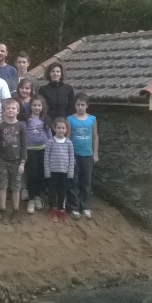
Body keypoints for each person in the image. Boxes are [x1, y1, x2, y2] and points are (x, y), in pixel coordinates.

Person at [0, 99, 27, 224]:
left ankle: (15, 211)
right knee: (2, 186)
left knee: (16, 187)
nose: (10, 110)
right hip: (2, 160)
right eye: (8, 108)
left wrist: (23, 163)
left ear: (17, 111)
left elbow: (24, 146)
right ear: (4, 111)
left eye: (13, 108)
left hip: (17, 161)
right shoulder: (1, 126)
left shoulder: (21, 126)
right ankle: (2, 211)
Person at [67, 92, 99, 221]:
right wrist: (68, 155)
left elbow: (95, 137)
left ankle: (85, 206)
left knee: (86, 181)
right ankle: (74, 207)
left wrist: (95, 153)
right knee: (73, 181)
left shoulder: (92, 119)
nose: (80, 107)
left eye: (82, 105)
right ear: (74, 105)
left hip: (88, 154)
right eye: (78, 104)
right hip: (74, 154)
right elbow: (67, 138)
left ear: (87, 106)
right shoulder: (70, 119)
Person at [25, 95, 52, 214]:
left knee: (41, 174)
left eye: (39, 105)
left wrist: (51, 148)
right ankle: (30, 199)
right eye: (34, 105)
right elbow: (22, 133)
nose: (37, 107)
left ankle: (37, 197)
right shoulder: (26, 119)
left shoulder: (45, 119)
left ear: (42, 107)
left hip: (43, 149)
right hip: (30, 150)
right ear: (30, 106)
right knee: (32, 174)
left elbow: (49, 134)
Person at [44, 117, 74, 224]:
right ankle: (53, 210)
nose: (61, 130)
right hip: (53, 173)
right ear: (54, 128)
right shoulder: (50, 142)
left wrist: (70, 173)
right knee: (52, 192)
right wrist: (47, 172)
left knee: (62, 192)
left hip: (64, 173)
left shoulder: (69, 143)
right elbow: (46, 158)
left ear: (66, 129)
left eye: (63, 128)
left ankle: (61, 209)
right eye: (59, 128)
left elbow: (71, 159)